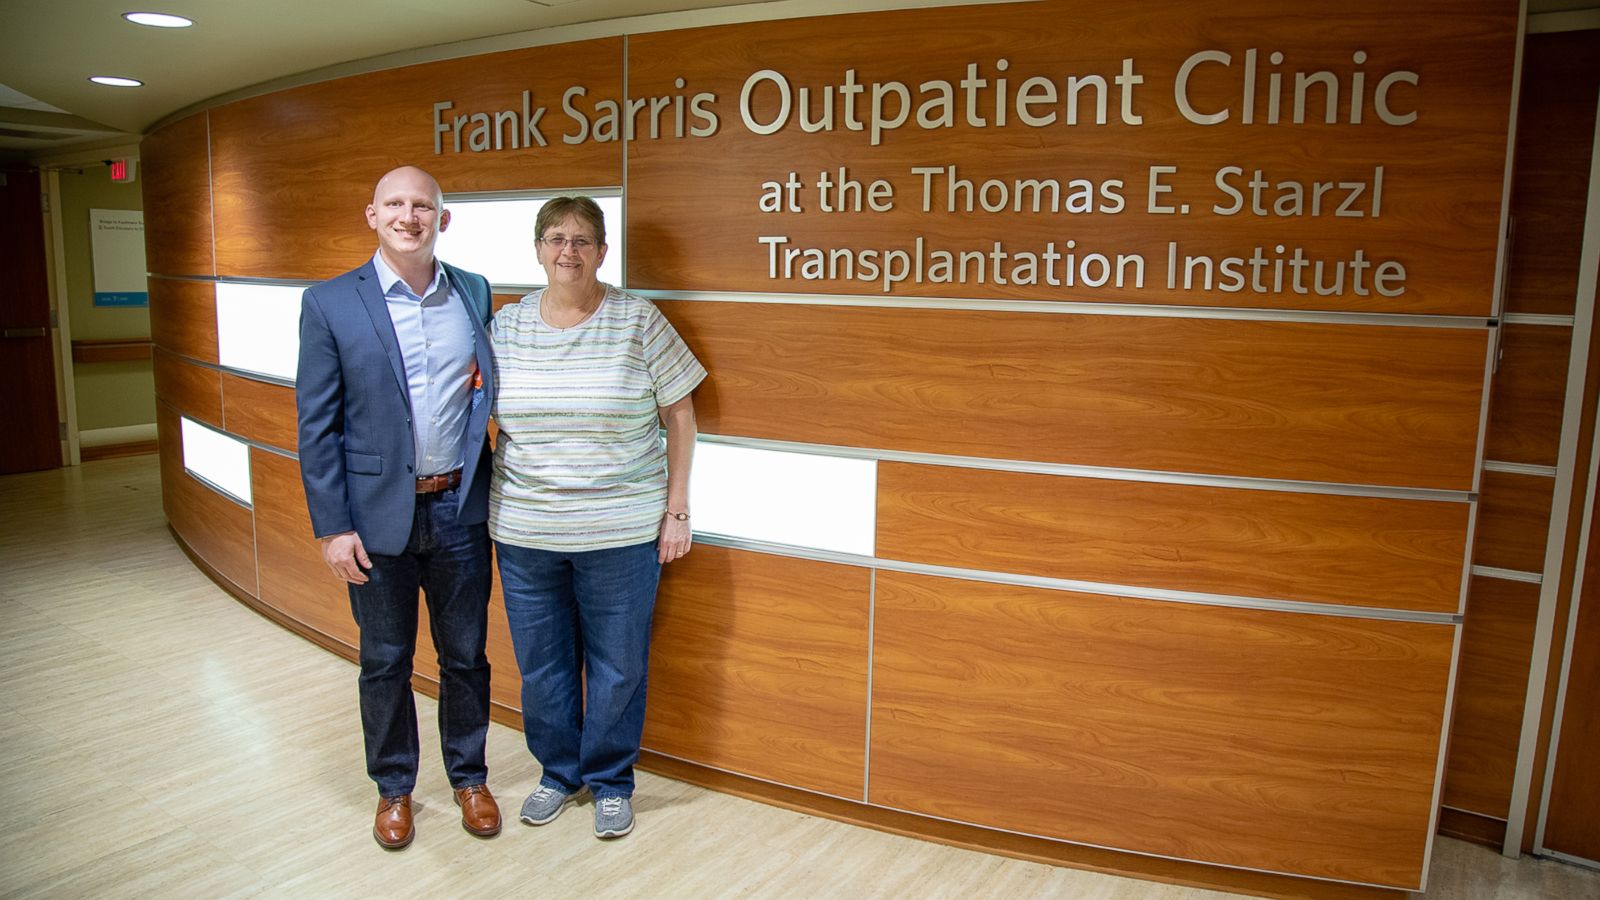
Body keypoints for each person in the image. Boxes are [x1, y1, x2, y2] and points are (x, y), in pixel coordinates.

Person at [295, 165, 500, 849]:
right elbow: (316, 427)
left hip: (459, 509)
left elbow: (481, 396)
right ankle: (394, 790)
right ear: (372, 215)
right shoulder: (329, 302)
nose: (409, 216)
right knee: (385, 659)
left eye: (423, 206)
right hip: (375, 518)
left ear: (442, 220)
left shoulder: (472, 291)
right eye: (395, 204)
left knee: (466, 655)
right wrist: (332, 527)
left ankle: (469, 777)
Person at [490, 195, 706, 840]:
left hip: (620, 532)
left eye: (583, 240)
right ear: (536, 249)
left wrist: (678, 510)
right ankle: (558, 773)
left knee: (618, 664)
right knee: (542, 664)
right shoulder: (507, 325)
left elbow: (682, 415)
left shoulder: (638, 321)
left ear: (602, 252)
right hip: (525, 531)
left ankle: (611, 781)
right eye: (556, 238)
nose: (569, 251)